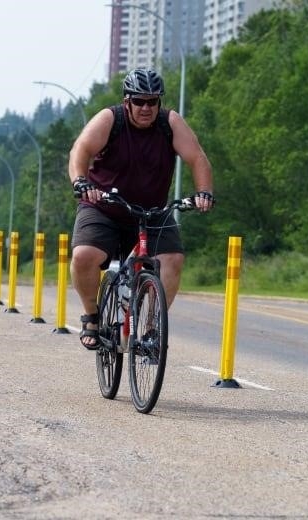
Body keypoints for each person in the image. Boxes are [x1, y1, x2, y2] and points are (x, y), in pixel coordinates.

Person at [67, 67, 214, 349]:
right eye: (139, 101)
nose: (146, 107)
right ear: (127, 101)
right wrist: (81, 182)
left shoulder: (169, 123)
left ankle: (150, 328)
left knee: (172, 259)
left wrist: (204, 192)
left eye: (152, 101)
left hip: (152, 211)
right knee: (85, 255)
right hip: (104, 206)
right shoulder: (111, 119)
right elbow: (80, 150)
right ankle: (91, 316)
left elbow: (197, 158)